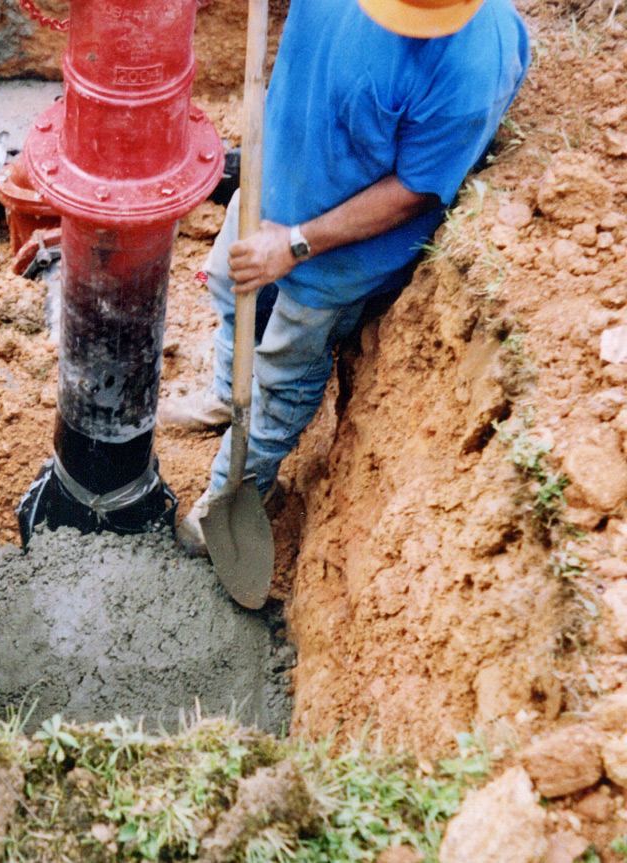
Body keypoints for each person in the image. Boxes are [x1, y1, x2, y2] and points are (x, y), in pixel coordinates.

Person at [162, 0, 531, 554]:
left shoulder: (475, 61)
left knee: (286, 367)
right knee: (231, 291)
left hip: (342, 250)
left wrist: (294, 244)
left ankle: (239, 488)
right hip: (272, 179)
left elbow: (413, 193)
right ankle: (227, 397)